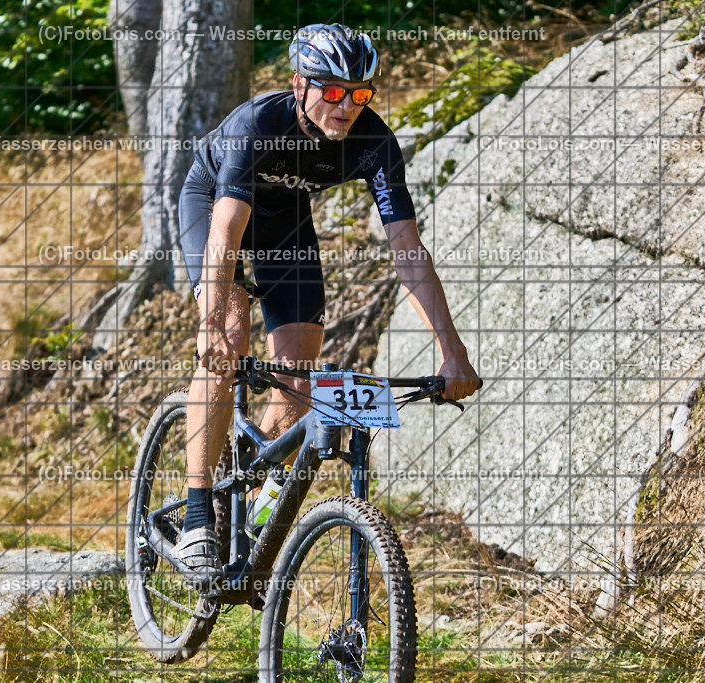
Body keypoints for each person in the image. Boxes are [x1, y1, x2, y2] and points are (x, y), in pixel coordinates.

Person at [171, 23, 481, 588]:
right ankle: (197, 515)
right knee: (231, 338)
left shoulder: (375, 144)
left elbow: (408, 252)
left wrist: (452, 353)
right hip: (215, 205)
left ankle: (255, 506)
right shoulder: (257, 123)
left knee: (300, 381)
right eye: (332, 91)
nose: (346, 106)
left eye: (360, 93)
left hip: (286, 219)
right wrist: (211, 322)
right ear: (299, 84)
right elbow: (226, 228)